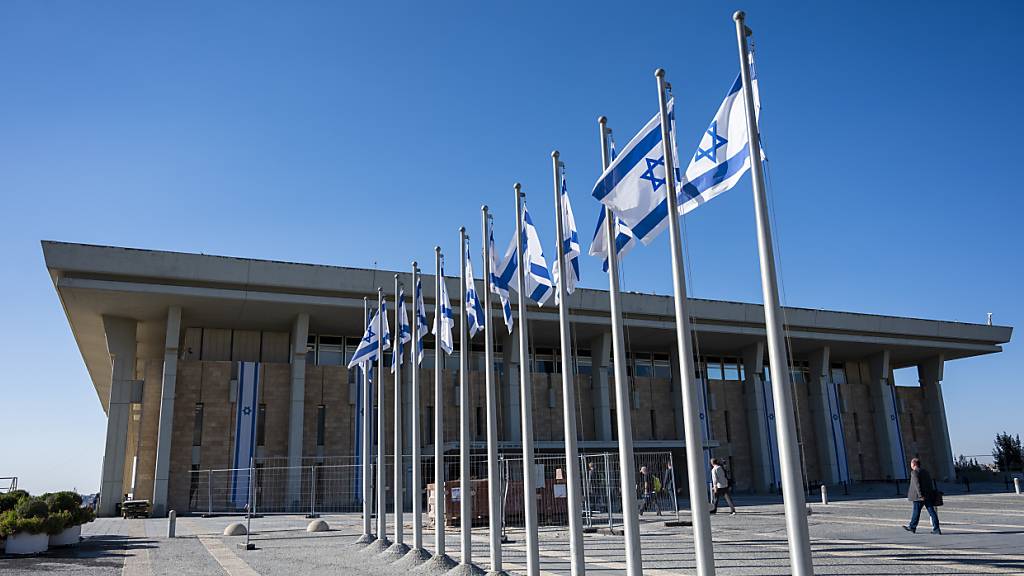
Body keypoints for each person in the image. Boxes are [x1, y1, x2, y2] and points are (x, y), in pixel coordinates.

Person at [904, 457, 941, 534]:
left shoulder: (914, 472)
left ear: (914, 464)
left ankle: (912, 527)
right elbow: (929, 483)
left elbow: (917, 485)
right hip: (928, 495)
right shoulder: (925, 472)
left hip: (919, 497)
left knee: (916, 512)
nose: (910, 465)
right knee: (932, 512)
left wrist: (920, 495)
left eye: (911, 463)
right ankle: (936, 529)